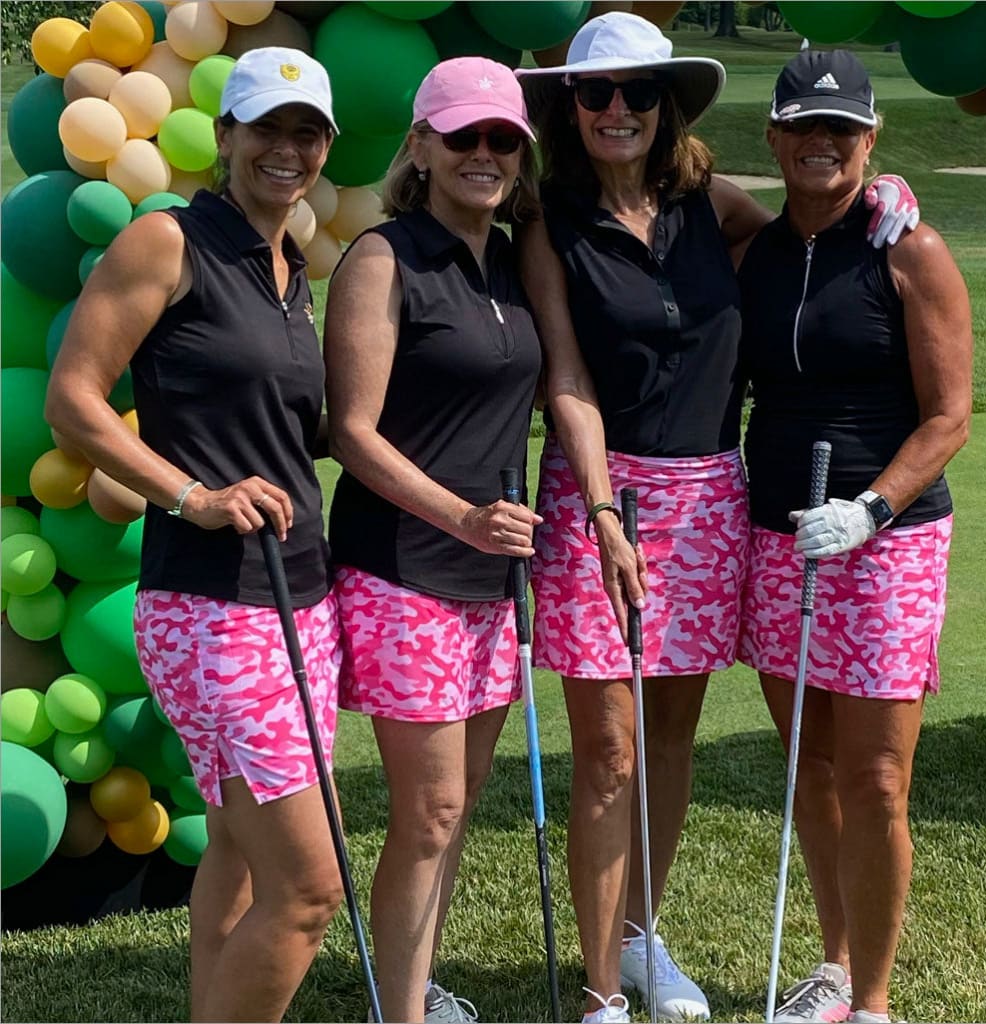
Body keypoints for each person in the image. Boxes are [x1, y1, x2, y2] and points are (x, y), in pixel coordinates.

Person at [514, 13, 919, 1023]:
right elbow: (564, 371)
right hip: (598, 497)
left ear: (667, 106)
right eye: (596, 94)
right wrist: (603, 506)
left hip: (708, 500)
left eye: (638, 93)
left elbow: (801, 227)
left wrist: (881, 195)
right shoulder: (547, 218)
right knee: (607, 751)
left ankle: (639, 934)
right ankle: (603, 993)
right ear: (572, 107)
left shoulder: (706, 203)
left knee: (668, 741)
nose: (617, 110)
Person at [46, 48, 344, 1023]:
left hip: (297, 595)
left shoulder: (290, 268)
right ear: (225, 137)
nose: (286, 150)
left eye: (307, 133)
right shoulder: (167, 243)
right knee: (309, 887)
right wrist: (191, 495)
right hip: (214, 607)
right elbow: (73, 402)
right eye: (266, 128)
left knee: (237, 849)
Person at [737, 49, 972, 1024]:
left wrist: (871, 508)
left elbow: (950, 413)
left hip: (889, 541)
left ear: (870, 140)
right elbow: (676, 176)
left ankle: (869, 1001)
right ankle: (830, 966)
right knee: (812, 765)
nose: (821, 143)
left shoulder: (907, 248)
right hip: (778, 535)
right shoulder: (751, 246)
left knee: (876, 776)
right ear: (776, 138)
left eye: (843, 129)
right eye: (804, 126)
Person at [323, 57, 543, 1024]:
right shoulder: (384, 256)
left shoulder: (513, 255)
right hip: (403, 570)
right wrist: (457, 516)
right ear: (420, 146)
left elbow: (671, 193)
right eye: (463, 137)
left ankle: (408, 986)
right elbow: (351, 431)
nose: (484, 155)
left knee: (460, 804)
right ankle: (398, 1012)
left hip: (493, 582)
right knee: (432, 813)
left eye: (502, 140)